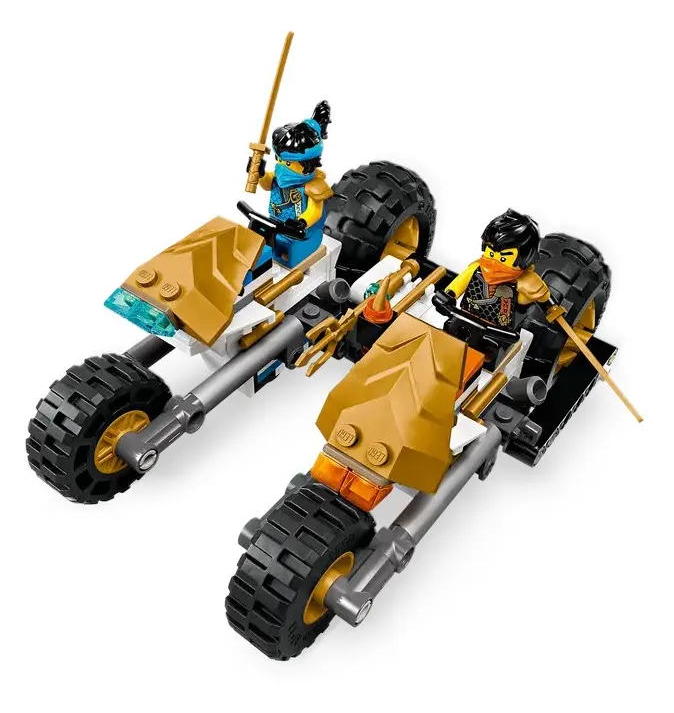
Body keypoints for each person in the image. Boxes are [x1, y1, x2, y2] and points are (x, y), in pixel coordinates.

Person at [255, 101, 332, 267]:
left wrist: (302, 222)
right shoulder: (278, 176)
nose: (281, 166)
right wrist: (260, 174)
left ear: (307, 164)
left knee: (289, 254)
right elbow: (267, 184)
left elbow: (315, 211)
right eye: (279, 160)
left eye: (288, 163)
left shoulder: (313, 186)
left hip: (302, 235)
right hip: (274, 225)